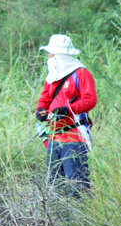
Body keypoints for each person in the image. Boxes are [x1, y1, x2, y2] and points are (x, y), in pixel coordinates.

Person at [35, 34, 97, 196]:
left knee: (77, 186)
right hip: (53, 138)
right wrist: (40, 111)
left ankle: (80, 219)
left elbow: (90, 100)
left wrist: (67, 109)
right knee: (53, 186)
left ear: (60, 55)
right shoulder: (52, 75)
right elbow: (45, 98)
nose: (49, 57)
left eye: (51, 53)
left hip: (74, 137)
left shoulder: (81, 74)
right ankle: (58, 220)